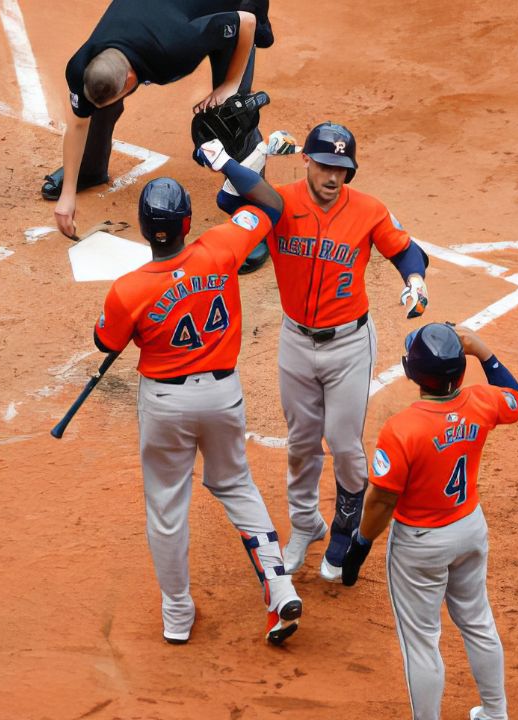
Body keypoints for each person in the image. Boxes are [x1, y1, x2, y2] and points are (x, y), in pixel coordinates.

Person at [89, 138, 302, 645]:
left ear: (144, 230)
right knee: (237, 486)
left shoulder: (128, 289)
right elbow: (271, 203)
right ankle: (278, 582)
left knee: (167, 507)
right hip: (222, 398)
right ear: (187, 223)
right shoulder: (222, 246)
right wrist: (226, 163)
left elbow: (105, 340)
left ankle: (177, 614)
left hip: (166, 403)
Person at [216, 121, 431, 582]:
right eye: (327, 166)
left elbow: (407, 252)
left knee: (345, 444)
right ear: (307, 161)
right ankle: (305, 523)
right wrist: (259, 157)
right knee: (300, 443)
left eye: (343, 168)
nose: (334, 177)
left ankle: (344, 528)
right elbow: (228, 201)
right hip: (295, 340)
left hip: (349, 344)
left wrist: (415, 282)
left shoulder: (369, 210)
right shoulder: (279, 201)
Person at [341, 323, 518, 720]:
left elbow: (381, 500)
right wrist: (484, 353)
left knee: (422, 643)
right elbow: (517, 399)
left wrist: (360, 543)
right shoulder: (482, 402)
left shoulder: (402, 429)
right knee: (477, 621)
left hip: (420, 544)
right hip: (469, 527)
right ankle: (496, 713)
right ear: (459, 373)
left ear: (411, 373)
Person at [49, 0, 275, 273]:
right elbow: (77, 124)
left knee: (233, 115)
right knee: (99, 105)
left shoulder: (175, 48)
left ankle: (255, 220)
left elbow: (245, 23)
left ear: (131, 78)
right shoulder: (82, 64)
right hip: (170, 14)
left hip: (230, 7)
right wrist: (68, 194)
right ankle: (90, 169)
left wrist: (230, 85)